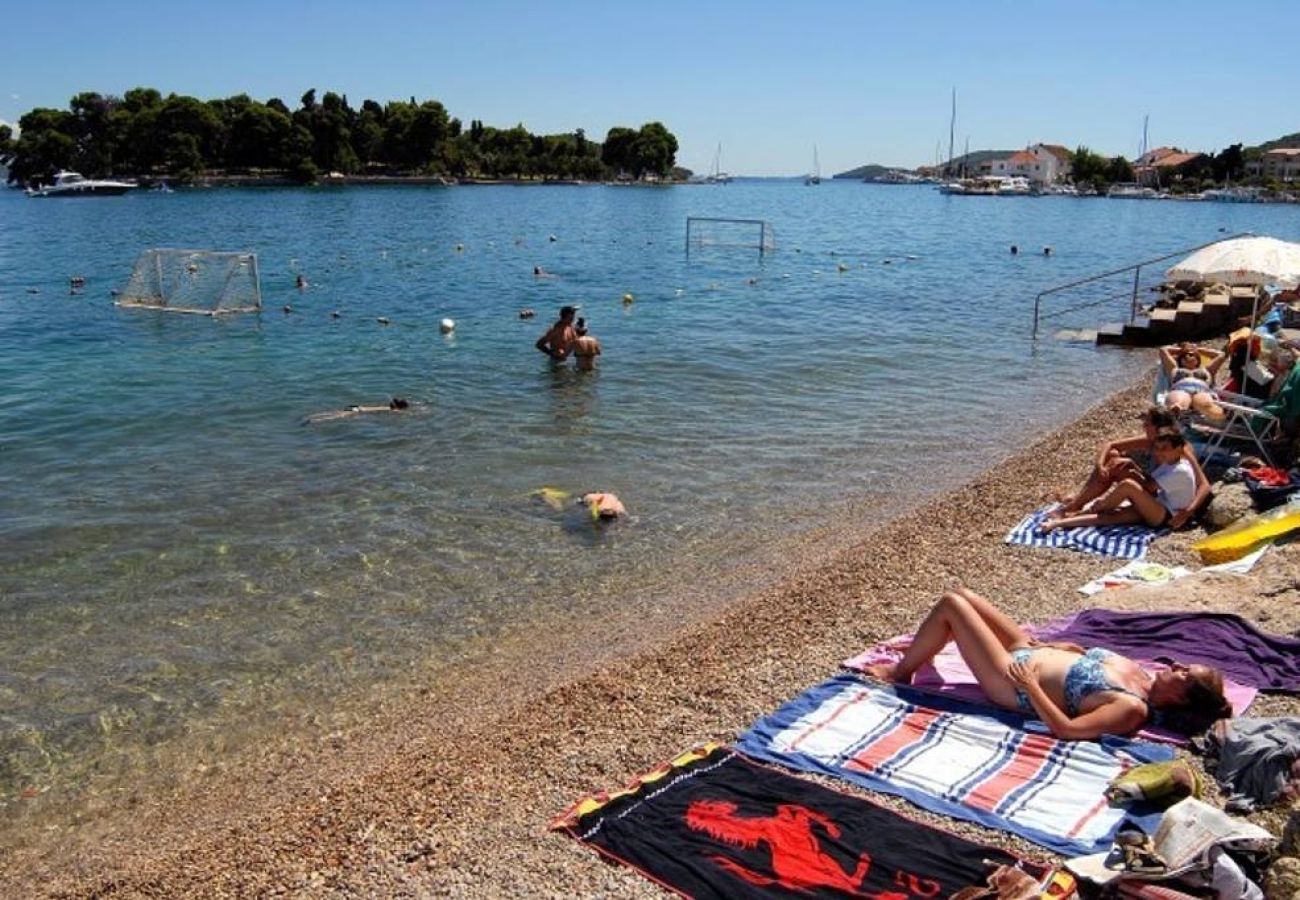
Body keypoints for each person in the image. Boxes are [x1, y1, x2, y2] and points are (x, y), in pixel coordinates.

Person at [864, 587, 1231, 740]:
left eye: (1184, 675)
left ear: (1181, 699)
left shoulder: (1131, 708)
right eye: (1185, 666)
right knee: (965, 594)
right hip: (1029, 652)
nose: (1179, 666)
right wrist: (1065, 649)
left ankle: (900, 673)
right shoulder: (1143, 675)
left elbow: (1068, 730)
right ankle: (917, 658)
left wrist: (1032, 686)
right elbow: (1085, 664)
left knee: (950, 605)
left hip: (1011, 682)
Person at [1051, 405, 1209, 529]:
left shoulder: (1180, 449)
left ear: (1158, 427)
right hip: (1156, 490)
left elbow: (1204, 485)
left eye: (1147, 424)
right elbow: (1110, 444)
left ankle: (1078, 507)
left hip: (1162, 498)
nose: (1143, 427)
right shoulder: (1153, 442)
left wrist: (1188, 511)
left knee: (1118, 474)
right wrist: (1100, 465)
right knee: (1113, 458)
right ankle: (1078, 504)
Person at [1042, 429, 1195, 531]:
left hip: (1166, 516)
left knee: (1127, 486)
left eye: (1165, 449)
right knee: (1107, 518)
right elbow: (1150, 482)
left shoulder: (1179, 471)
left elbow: (1148, 487)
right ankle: (1057, 523)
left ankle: (1094, 507)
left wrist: (1108, 501)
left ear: (1179, 449)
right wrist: (1133, 465)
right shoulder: (1171, 463)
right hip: (1160, 506)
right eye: (1158, 448)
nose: (1160, 452)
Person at [1159, 342, 1227, 419]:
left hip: (1202, 391)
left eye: (1192, 355)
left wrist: (1198, 350)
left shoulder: (1208, 370)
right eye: (1185, 356)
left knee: (1203, 401)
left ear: (1198, 359)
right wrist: (1183, 350)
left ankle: (1217, 413)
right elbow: (1163, 350)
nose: (1188, 355)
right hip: (1181, 389)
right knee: (1178, 400)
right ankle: (1177, 408)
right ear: (1180, 360)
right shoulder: (1174, 368)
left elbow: (1222, 355)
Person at [304, 397, 409, 424]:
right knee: (337, 416)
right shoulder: (391, 409)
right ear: (399, 407)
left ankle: (312, 415)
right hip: (358, 411)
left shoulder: (387, 407)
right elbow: (398, 412)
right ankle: (315, 421)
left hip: (357, 406)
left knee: (335, 412)